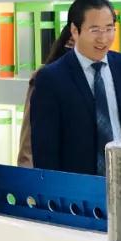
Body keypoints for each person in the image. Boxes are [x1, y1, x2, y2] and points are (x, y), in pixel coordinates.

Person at [30, 0, 121, 175]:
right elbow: (45, 152)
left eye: (109, 29)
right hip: (76, 186)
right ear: (74, 30)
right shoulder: (51, 78)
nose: (103, 38)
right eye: (95, 30)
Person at [17, 23, 74, 167]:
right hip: (53, 170)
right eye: (70, 44)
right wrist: (27, 172)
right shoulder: (44, 78)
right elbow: (28, 136)